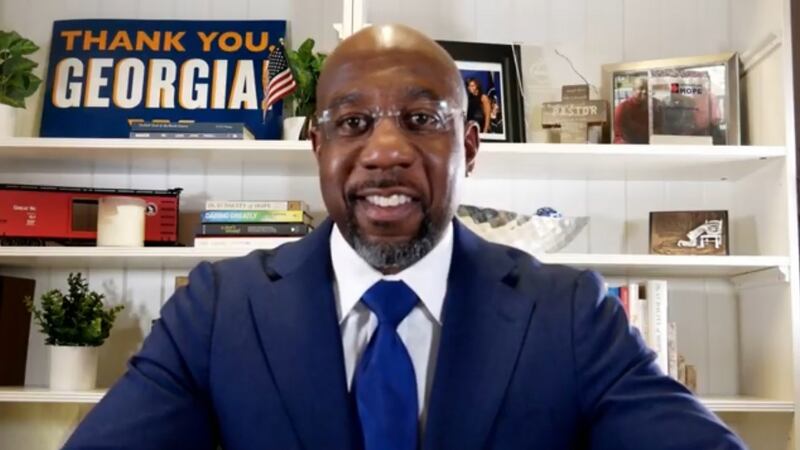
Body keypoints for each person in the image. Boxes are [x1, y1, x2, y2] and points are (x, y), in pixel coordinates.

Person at [63, 24, 746, 450]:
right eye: (353, 124)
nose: (386, 151)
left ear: (469, 147)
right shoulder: (218, 309)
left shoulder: (570, 313)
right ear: (318, 147)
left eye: (421, 119)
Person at [613, 76, 650, 144]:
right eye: (641, 88)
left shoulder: (653, 107)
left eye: (647, 88)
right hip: (627, 149)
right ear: (633, 90)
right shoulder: (622, 108)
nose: (645, 91)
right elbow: (619, 137)